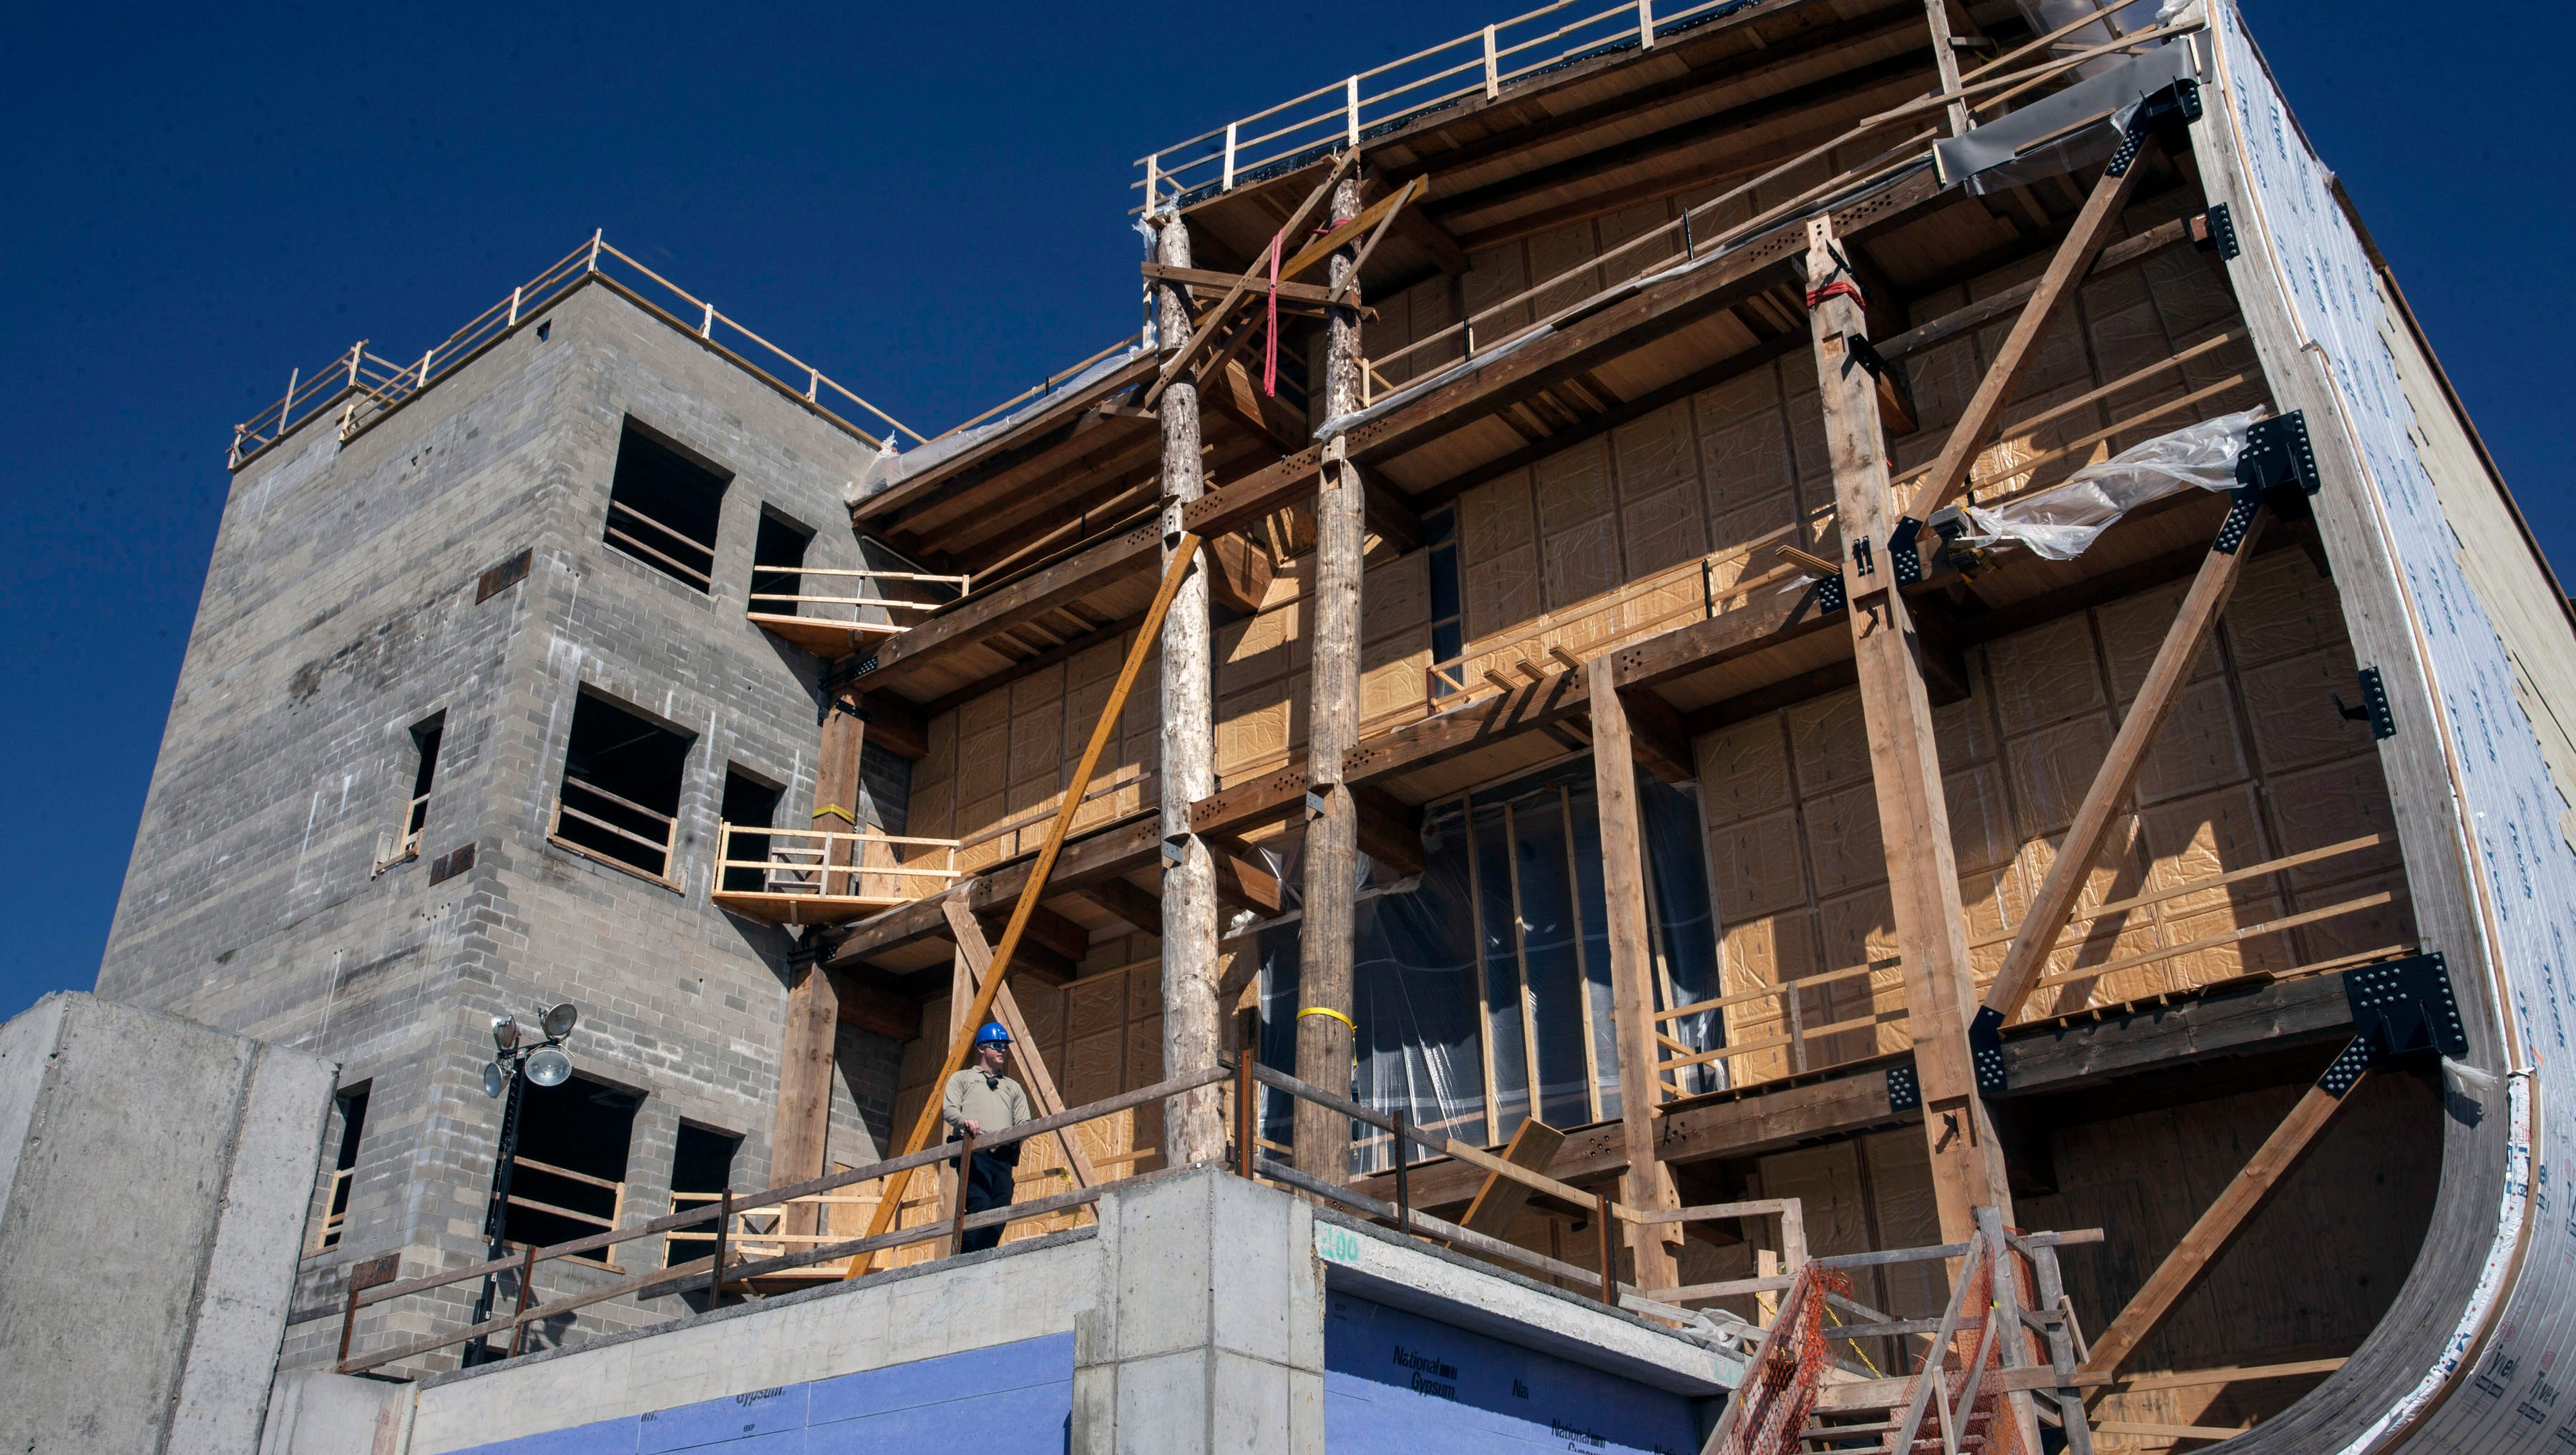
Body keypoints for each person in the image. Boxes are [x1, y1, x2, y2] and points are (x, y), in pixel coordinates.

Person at [942, 1022, 1030, 1253]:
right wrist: (965, 1122)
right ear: (982, 1048)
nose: (1002, 1050)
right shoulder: (962, 1079)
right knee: (980, 1205)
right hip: (975, 1155)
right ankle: (967, 1258)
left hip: (1002, 1158)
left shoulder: (1013, 1088)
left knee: (1000, 1211)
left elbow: (1025, 1122)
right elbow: (949, 1111)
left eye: (1005, 1046)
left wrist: (1014, 1137)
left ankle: (985, 1256)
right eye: (996, 1045)